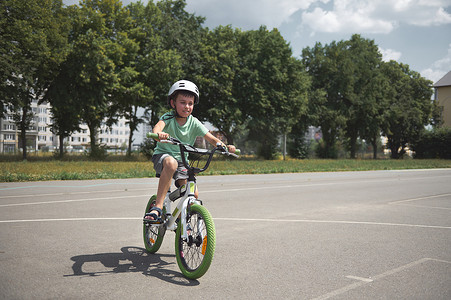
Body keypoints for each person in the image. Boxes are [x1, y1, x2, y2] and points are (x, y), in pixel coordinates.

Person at [145, 80, 236, 222]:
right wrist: (159, 134)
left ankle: (180, 220)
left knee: (193, 193)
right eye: (182, 102)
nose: (187, 106)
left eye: (190, 103)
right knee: (171, 163)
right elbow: (157, 128)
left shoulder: (194, 122)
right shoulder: (168, 118)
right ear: (173, 103)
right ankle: (158, 206)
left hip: (182, 161)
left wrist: (225, 146)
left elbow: (212, 139)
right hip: (163, 157)